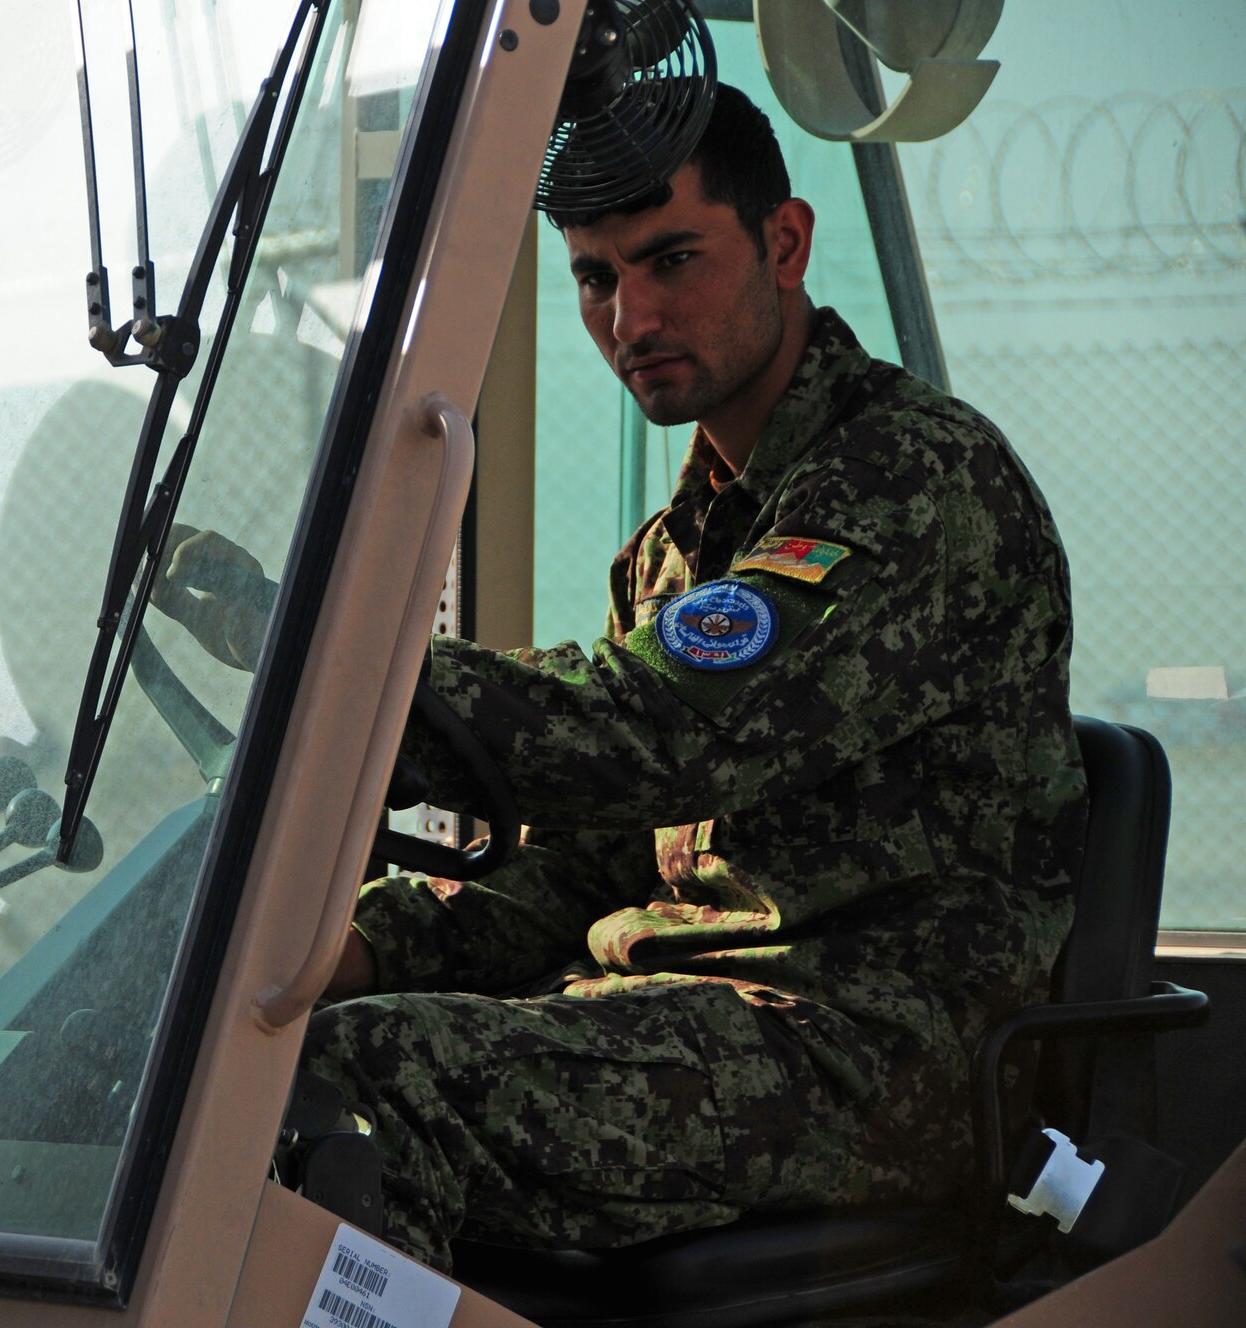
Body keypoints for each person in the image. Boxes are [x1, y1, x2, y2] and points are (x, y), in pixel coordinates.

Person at [155, 83, 1084, 1272]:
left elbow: (644, 736)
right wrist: (353, 949)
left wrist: (317, 655)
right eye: (595, 278)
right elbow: (587, 852)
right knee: (262, 1047)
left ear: (784, 244)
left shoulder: (910, 482)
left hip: (872, 1059)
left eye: (670, 260)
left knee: (363, 1080)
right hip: (689, 1024)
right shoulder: (676, 550)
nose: (629, 314)